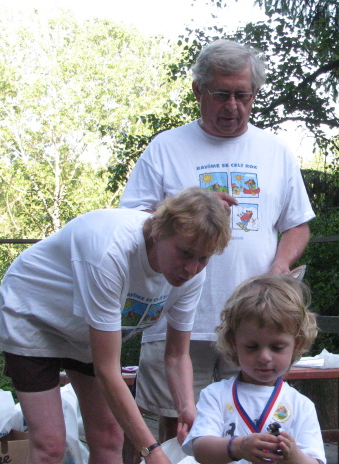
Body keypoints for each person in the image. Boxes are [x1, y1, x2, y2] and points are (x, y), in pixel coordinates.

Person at [0, 188, 231, 464]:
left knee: (108, 438)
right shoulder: (111, 252)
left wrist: (187, 407)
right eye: (185, 254)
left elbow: (176, 355)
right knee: (51, 443)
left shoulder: (191, 276)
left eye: (203, 259)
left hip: (86, 330)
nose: (191, 268)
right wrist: (151, 450)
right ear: (158, 230)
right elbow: (108, 371)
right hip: (33, 315)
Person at [119, 39, 315, 442]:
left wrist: (279, 267)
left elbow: (298, 225)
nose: (233, 106)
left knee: (254, 418)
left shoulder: (274, 151)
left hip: (255, 324)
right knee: (178, 423)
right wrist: (192, 207)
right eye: (221, 94)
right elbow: (130, 222)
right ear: (198, 90)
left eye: (243, 95)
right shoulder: (166, 148)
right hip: (177, 317)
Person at [182, 274, 326, 464]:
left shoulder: (301, 406)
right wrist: (237, 447)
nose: (264, 357)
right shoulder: (216, 395)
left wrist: (294, 458)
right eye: (252, 346)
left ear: (296, 344)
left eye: (277, 347)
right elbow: (200, 449)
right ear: (233, 342)